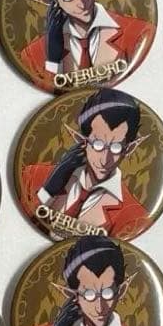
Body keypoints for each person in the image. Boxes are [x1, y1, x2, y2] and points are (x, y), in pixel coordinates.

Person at [20, 0, 154, 90]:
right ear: (52, 2)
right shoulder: (33, 56)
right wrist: (52, 62)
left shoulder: (139, 33)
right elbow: (49, 93)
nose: (81, 2)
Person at [21, 237, 157, 326]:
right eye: (89, 294)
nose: (100, 307)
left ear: (121, 291)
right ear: (72, 295)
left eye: (107, 293)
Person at [19, 89, 150, 236]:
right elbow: (19, 222)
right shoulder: (32, 176)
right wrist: (47, 191)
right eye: (98, 144)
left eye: (116, 147)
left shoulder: (133, 217)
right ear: (82, 141)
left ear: (129, 148)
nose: (104, 159)